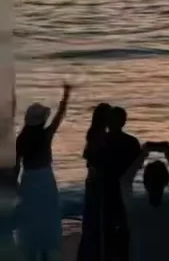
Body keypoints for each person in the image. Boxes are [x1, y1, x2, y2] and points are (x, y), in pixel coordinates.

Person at [15, 84, 71, 261]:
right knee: (48, 217)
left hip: (28, 179)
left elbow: (16, 166)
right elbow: (59, 117)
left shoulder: (21, 139)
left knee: (30, 221)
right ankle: (46, 255)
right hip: (45, 179)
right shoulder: (45, 136)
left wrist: (15, 186)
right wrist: (66, 96)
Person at [120, 142, 169, 261]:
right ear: (167, 181)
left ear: (144, 181)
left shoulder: (136, 206)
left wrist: (143, 155)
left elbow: (125, 181)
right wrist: (168, 156)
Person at [101, 107, 142, 261]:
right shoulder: (131, 142)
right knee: (125, 227)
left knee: (108, 230)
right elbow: (138, 165)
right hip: (124, 187)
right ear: (124, 122)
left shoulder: (102, 140)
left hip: (106, 188)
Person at [77, 104, 113, 261]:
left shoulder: (94, 133)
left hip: (93, 181)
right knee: (96, 219)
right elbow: (92, 158)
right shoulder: (99, 135)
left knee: (93, 221)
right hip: (96, 182)